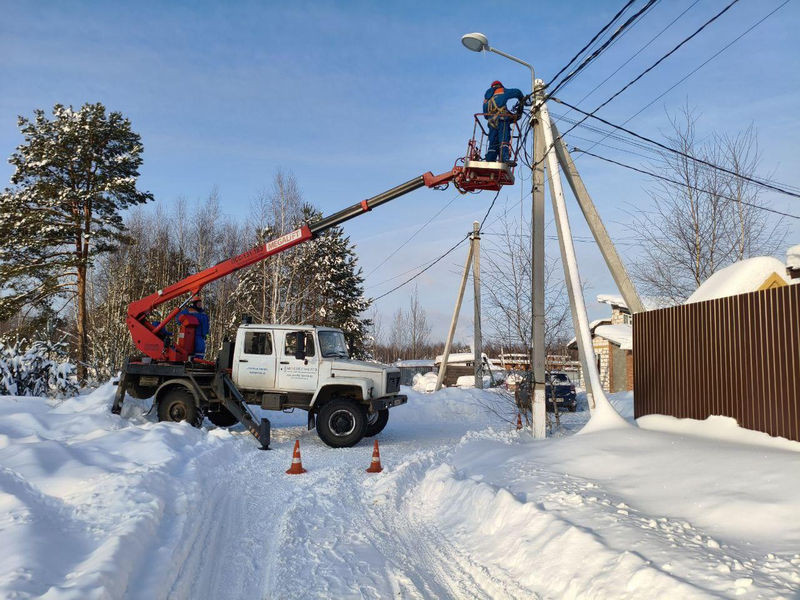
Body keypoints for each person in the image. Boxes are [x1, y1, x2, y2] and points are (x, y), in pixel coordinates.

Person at [483, 80, 524, 163]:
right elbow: (517, 92)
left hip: (491, 122)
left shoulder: (486, 99)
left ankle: (490, 159)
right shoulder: (502, 90)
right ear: (500, 85)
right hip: (502, 119)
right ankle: (504, 158)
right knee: (504, 138)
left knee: (493, 142)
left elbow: (485, 116)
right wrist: (522, 101)